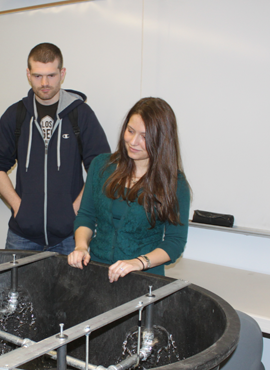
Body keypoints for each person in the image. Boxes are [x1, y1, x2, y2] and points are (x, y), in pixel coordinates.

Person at [0, 42, 110, 255]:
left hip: (70, 236)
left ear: (62, 73)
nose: (44, 83)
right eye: (37, 76)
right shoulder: (15, 115)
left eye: (51, 75)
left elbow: (101, 168)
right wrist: (18, 206)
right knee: (17, 289)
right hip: (22, 237)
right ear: (28, 74)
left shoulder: (80, 114)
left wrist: (76, 209)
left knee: (68, 290)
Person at [68, 97, 191, 282]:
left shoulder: (174, 183)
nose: (133, 142)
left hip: (143, 279)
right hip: (97, 273)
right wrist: (81, 247)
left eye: (144, 137)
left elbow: (175, 242)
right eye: (130, 131)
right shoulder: (101, 165)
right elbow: (86, 216)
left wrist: (138, 262)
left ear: (162, 140)